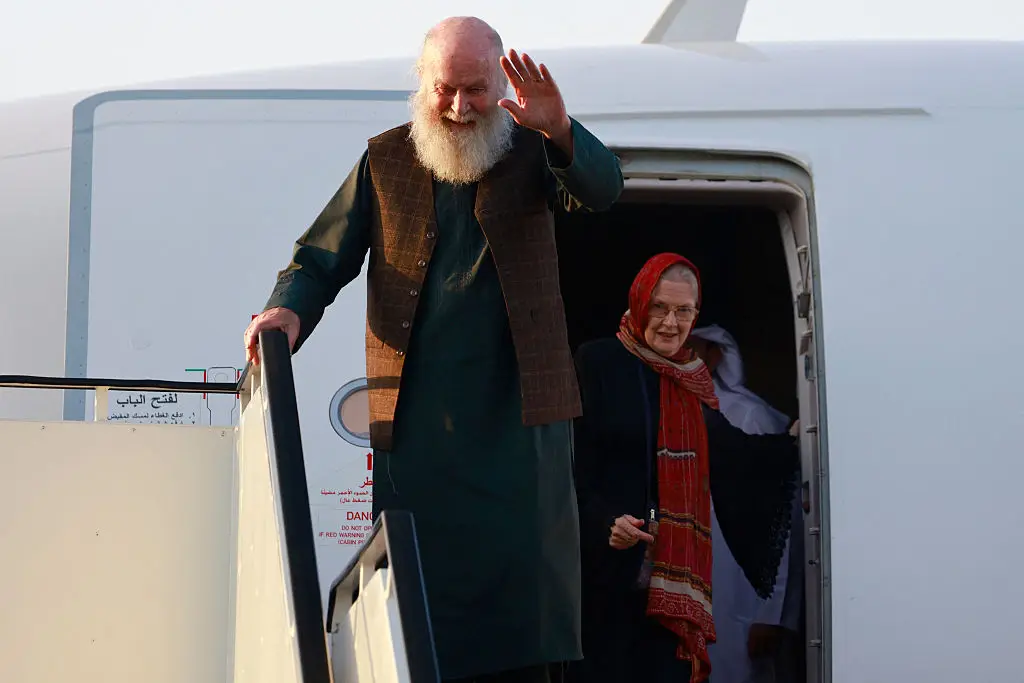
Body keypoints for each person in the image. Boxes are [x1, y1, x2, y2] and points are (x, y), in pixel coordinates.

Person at [243, 15, 624, 683]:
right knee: (418, 620)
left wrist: (561, 129)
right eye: (445, 88)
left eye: (475, 89)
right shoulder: (385, 159)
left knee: (523, 628)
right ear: (422, 85)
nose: (458, 106)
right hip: (416, 433)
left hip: (520, 432)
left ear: (499, 81)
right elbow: (319, 258)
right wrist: (288, 309)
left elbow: (605, 189)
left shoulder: (533, 150)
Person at [569, 253, 799, 683]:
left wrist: (792, 442)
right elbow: (568, 464)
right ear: (639, 301)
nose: (670, 323)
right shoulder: (597, 363)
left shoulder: (691, 378)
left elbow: (729, 449)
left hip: (672, 580)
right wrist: (604, 522)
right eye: (659, 306)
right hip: (606, 575)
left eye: (683, 311)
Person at [688, 325, 804, 683]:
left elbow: (783, 522)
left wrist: (772, 614)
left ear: (716, 354)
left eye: (691, 349)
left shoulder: (751, 417)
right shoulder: (667, 416)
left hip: (743, 602)